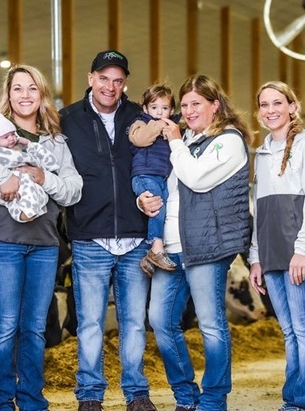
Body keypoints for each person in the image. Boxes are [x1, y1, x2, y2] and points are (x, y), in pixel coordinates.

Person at [0, 64, 83, 411]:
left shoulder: (55, 144)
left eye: (32, 89)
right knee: (7, 323)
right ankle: (0, 402)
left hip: (42, 243)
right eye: (17, 88)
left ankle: (31, 400)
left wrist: (43, 177)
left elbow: (73, 190)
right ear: (8, 95)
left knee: (35, 327)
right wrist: (0, 176)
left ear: (42, 96)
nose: (25, 95)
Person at [59, 50, 160, 411]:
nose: (110, 86)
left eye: (118, 80)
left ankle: (136, 392)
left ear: (125, 84)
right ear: (91, 78)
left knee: (134, 321)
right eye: (104, 78)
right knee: (89, 323)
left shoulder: (140, 117)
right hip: (89, 237)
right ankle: (89, 394)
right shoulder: (67, 120)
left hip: (135, 237)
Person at [145, 74, 253, 411]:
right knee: (160, 320)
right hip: (173, 247)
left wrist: (175, 141)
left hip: (206, 246)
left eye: (197, 104)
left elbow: (196, 178)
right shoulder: (188, 141)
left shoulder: (228, 140)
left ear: (215, 105)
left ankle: (214, 397)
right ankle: (186, 395)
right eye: (186, 104)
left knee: (210, 322)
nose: (189, 110)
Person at [247, 81, 305, 411]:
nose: (270, 110)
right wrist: (255, 258)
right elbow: (260, 211)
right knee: (289, 332)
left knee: (303, 329)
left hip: (300, 253)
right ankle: (293, 400)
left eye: (277, 103)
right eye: (264, 105)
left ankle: (304, 403)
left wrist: (303, 249)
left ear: (293, 106)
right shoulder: (263, 153)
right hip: (271, 254)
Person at [0, 109, 62, 222]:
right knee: (17, 192)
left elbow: (44, 159)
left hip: (28, 183)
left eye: (12, 134)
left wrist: (29, 145)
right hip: (2, 188)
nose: (11, 139)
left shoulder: (21, 146)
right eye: (5, 137)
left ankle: (29, 209)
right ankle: (24, 212)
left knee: (28, 184)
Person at [129, 83, 179, 275]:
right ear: (145, 109)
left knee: (165, 210)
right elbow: (140, 139)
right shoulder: (140, 123)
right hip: (144, 175)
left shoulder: (173, 127)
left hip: (162, 177)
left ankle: (150, 257)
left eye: (164, 108)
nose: (159, 112)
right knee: (157, 206)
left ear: (171, 110)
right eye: (154, 107)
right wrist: (160, 124)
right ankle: (157, 247)